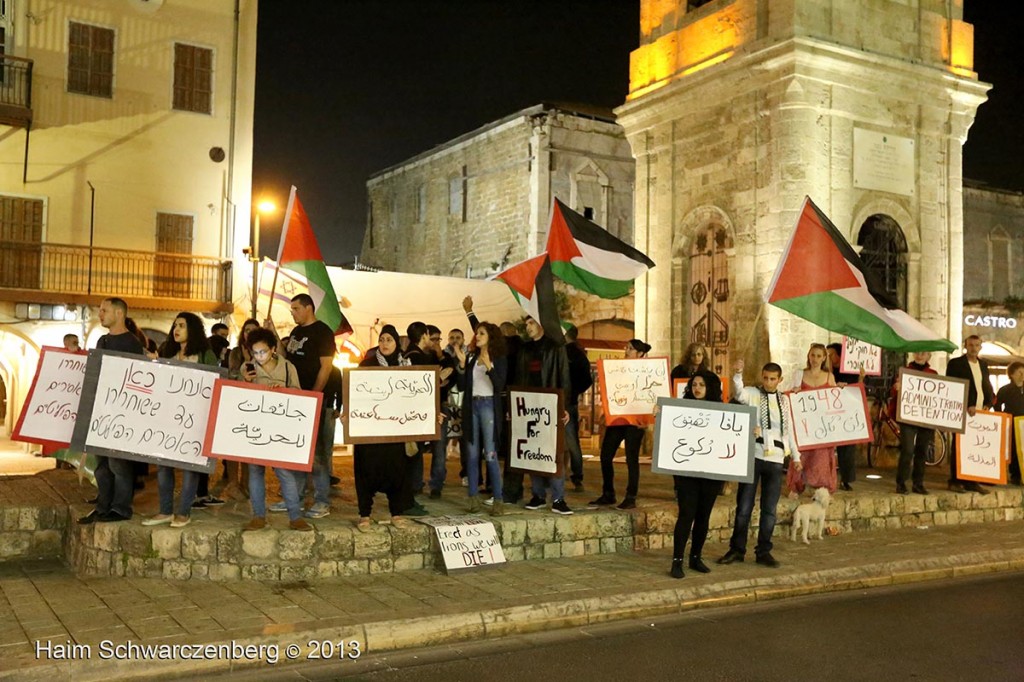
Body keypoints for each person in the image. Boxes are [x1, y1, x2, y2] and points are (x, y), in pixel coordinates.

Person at [718, 360, 801, 568]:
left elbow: (789, 430)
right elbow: (739, 394)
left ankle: (764, 551)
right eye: (765, 378)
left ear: (780, 380)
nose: (768, 382)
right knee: (744, 507)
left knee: (769, 510)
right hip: (754, 455)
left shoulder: (784, 401)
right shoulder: (754, 394)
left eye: (773, 379)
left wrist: (797, 457)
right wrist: (738, 373)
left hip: (775, 459)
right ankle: (737, 549)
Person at [140, 312, 220, 529]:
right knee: (163, 465)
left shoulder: (205, 355)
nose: (176, 329)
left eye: (182, 326)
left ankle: (183, 512)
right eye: (175, 325)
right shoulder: (167, 351)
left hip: (195, 421)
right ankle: (165, 510)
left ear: (192, 329)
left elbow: (218, 382)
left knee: (189, 467)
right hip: (167, 418)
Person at [78, 298, 144, 524]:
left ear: (118, 313)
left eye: (104, 310)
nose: (100, 314)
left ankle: (121, 508)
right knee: (102, 466)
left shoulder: (132, 343)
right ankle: (103, 506)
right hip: (102, 412)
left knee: (119, 464)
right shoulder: (102, 340)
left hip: (121, 413)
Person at [239, 328, 312, 531]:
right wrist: (245, 381)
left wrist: (284, 393)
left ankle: (295, 517)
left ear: (273, 349)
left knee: (285, 472)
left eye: (263, 351)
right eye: (255, 352)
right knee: (255, 472)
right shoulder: (248, 368)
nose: (259, 357)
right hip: (254, 428)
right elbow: (237, 396)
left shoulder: (288, 368)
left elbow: (299, 394)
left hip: (280, 430)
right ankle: (258, 516)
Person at [351, 325, 417, 528]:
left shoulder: (406, 367)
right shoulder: (366, 365)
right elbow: (356, 395)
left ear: (397, 342)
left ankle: (396, 513)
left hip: (395, 431)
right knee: (366, 471)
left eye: (389, 339)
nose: (385, 343)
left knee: (397, 471)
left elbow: (417, 397)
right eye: (382, 339)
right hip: (370, 431)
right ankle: (364, 515)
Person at [282, 294, 336, 518]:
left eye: (295, 308)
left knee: (317, 454)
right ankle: (296, 498)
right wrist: (275, 337)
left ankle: (322, 500)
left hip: (314, 401)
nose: (292, 313)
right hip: (295, 400)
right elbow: (287, 358)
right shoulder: (296, 333)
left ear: (308, 308)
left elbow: (326, 366)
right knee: (297, 450)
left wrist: (314, 395)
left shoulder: (323, 332)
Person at [516, 315, 573, 515]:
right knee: (533, 451)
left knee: (553, 452)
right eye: (526, 323)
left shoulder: (555, 347)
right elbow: (518, 378)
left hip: (549, 405)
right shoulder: (524, 349)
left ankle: (558, 498)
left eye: (531, 323)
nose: (527, 326)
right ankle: (538, 495)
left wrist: (564, 406)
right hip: (530, 406)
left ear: (541, 323)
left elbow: (563, 376)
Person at [671, 372, 724, 578]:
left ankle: (695, 557)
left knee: (703, 517)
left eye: (702, 384)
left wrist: (751, 432)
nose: (697, 388)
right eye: (694, 384)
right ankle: (677, 560)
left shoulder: (722, 410)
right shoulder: (680, 409)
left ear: (710, 387)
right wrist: (660, 413)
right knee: (686, 515)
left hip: (710, 474)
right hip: (687, 473)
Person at [591, 339, 653, 510]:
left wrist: (646, 420)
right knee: (606, 455)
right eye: (627, 348)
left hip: (635, 421)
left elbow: (651, 396)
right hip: (618, 418)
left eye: (631, 349)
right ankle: (608, 493)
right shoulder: (620, 368)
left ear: (640, 354)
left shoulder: (647, 371)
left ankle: (631, 496)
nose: (627, 350)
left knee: (632, 459)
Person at [454, 322, 507, 515]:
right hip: (472, 405)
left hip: (488, 405)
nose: (477, 336)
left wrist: (489, 367)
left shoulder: (498, 358)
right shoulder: (472, 358)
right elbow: (462, 386)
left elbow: (500, 385)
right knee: (472, 454)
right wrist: (461, 366)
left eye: (482, 333)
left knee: (490, 454)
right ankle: (473, 498)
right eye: (477, 333)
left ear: (491, 336)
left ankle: (498, 500)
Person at [785, 343, 838, 496]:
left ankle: (823, 488)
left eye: (818, 356)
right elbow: (792, 397)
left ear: (824, 358)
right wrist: (795, 391)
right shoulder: (800, 374)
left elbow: (835, 400)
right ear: (808, 356)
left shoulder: (829, 376)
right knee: (802, 455)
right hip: (805, 424)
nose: (815, 359)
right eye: (812, 355)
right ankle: (796, 486)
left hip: (823, 425)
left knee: (822, 456)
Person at [946, 335, 994, 494]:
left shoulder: (983, 365)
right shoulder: (955, 364)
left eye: (977, 345)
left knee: (975, 446)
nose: (974, 348)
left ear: (981, 347)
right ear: (965, 346)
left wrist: (988, 403)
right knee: (959, 446)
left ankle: (971, 480)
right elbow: (952, 386)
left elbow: (985, 385)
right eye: (971, 345)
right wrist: (967, 405)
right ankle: (955, 480)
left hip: (981, 412)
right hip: (963, 411)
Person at [892, 352, 938, 495]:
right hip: (908, 417)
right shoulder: (904, 372)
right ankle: (901, 482)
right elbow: (894, 394)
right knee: (907, 449)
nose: (920, 355)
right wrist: (896, 388)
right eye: (918, 352)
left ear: (928, 356)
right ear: (913, 354)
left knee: (922, 451)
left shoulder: (933, 374)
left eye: (923, 353)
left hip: (926, 418)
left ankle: (918, 483)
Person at [826, 343, 862, 491]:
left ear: (840, 356)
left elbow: (856, 391)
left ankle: (846, 479)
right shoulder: (826, 372)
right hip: (829, 413)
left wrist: (861, 378)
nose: (829, 358)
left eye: (832, 354)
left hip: (846, 413)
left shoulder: (851, 373)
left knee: (847, 449)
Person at [564, 325, 593, 492]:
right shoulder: (580, 354)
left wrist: (572, 391)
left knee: (568, 440)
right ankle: (577, 476)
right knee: (572, 440)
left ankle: (572, 474)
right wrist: (576, 392)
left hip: (564, 400)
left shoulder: (566, 353)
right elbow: (587, 380)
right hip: (571, 400)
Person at [994, 361, 1024, 487]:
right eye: (1020, 373)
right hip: (1011, 423)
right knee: (1013, 449)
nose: (1023, 375)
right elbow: (997, 404)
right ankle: (1015, 475)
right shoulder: (1005, 390)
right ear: (1012, 374)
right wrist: (1003, 417)